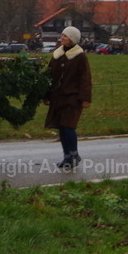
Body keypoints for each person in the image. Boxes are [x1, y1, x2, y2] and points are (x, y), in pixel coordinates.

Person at [44, 26, 92, 171]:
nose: (62, 38)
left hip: (73, 98)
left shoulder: (80, 56)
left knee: (68, 126)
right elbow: (49, 75)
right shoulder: (57, 55)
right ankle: (66, 157)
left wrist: (85, 98)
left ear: (72, 39)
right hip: (58, 97)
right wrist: (46, 95)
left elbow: (85, 78)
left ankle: (74, 155)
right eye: (62, 35)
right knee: (61, 128)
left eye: (65, 36)